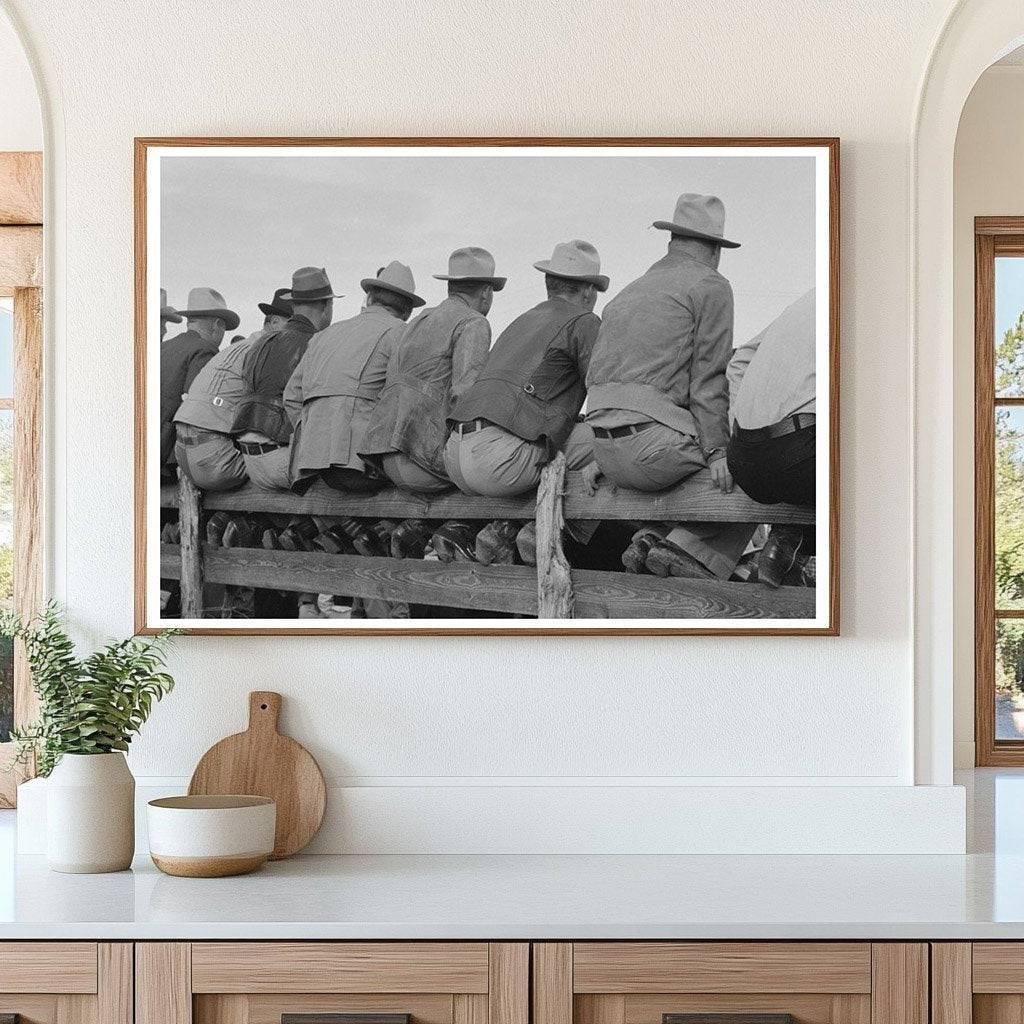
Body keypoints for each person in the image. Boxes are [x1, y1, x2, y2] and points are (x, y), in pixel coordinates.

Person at [583, 194, 755, 581]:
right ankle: (690, 549)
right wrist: (717, 451)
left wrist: (604, 455)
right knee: (751, 464)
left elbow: (603, 381)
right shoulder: (711, 285)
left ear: (672, 240)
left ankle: (650, 540)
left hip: (604, 451)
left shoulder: (628, 292)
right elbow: (709, 380)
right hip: (653, 451)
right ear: (715, 249)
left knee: (684, 458)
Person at [442, 240, 606, 561]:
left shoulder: (520, 320)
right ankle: (549, 530)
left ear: (549, 284)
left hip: (455, 456)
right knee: (614, 442)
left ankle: (500, 530)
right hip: (496, 463)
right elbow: (603, 392)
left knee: (558, 446)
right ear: (589, 291)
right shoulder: (585, 321)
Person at [361, 248, 497, 493]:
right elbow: (464, 397)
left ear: (450, 287)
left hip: (386, 456)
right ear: (486, 292)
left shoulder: (417, 320)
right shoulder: (473, 322)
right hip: (424, 462)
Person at [284, 261, 415, 495]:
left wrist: (314, 437)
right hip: (362, 465)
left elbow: (291, 397)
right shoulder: (402, 333)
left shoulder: (324, 335)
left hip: (311, 465)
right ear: (408, 310)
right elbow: (406, 400)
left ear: (370, 298)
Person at [726, 288, 816, 588]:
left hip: (742, 459)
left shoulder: (805, 303)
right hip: (799, 455)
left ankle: (788, 550)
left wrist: (739, 427)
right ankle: (792, 539)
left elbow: (739, 361)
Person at [173, 288, 293, 495]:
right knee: (282, 470)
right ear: (273, 322)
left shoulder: (239, 347)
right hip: (213, 459)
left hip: (183, 453)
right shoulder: (266, 352)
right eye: (294, 323)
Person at [231, 266, 339, 489]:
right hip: (284, 461)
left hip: (250, 462)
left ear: (293, 305)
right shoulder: (317, 343)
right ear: (326, 306)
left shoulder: (259, 342)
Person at [159, 287, 240, 477]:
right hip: (169, 456)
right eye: (224, 328)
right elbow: (198, 406)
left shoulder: (163, 347)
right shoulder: (205, 350)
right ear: (217, 325)